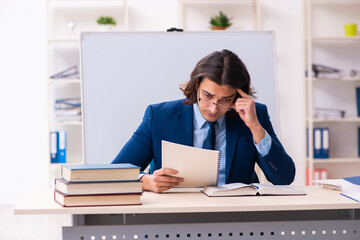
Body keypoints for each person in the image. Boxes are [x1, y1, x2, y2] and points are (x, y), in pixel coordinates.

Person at [112, 49, 295, 193]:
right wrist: (147, 182)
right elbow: (117, 173)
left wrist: (255, 128)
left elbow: (284, 178)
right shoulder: (159, 116)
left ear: (239, 95)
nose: (213, 108)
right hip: (177, 216)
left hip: (236, 217)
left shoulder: (255, 116)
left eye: (225, 100)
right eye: (207, 96)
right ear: (197, 85)